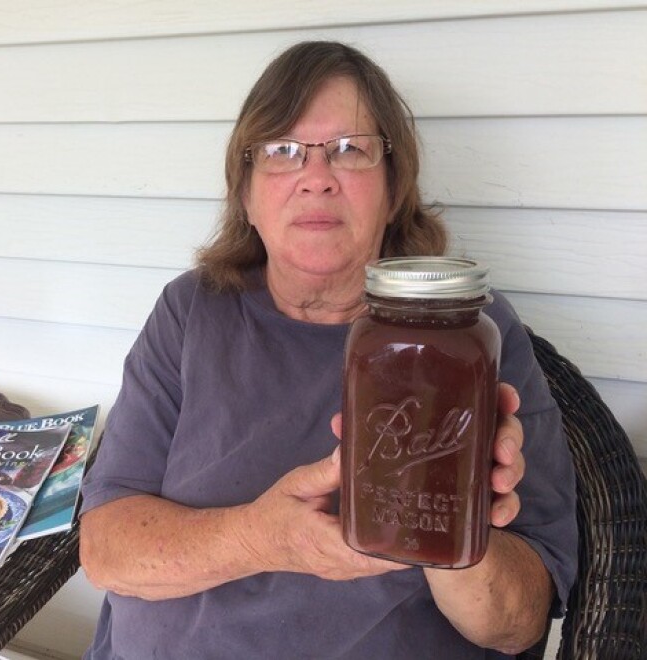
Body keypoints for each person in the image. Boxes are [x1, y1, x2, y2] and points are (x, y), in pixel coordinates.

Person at [78, 41, 577, 659]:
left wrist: (448, 526)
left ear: (394, 190)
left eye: (350, 150)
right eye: (282, 152)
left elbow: (519, 623)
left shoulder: (468, 333)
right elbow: (105, 548)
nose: (316, 178)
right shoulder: (192, 310)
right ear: (247, 192)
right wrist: (264, 538)